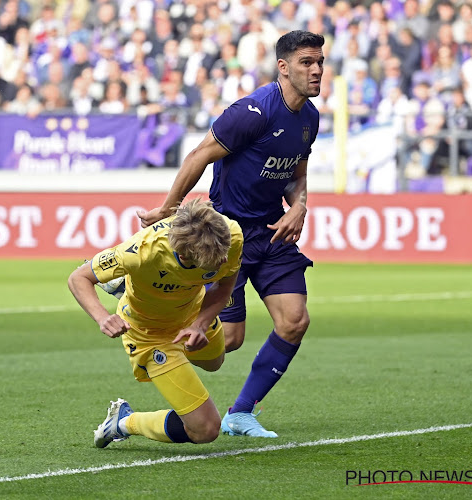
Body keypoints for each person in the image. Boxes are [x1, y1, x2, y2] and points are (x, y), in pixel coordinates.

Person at [136, 30, 324, 438]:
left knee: (294, 321)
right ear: (283, 66)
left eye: (320, 62)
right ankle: (150, 312)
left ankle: (241, 413)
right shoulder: (252, 111)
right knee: (230, 341)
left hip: (272, 231)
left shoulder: (309, 117)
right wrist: (168, 208)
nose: (316, 70)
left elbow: (297, 174)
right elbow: (200, 155)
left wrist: (300, 206)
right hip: (228, 235)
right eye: (307, 62)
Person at [68, 199, 242, 448]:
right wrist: (103, 317)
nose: (225, 262)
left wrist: (200, 324)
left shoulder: (230, 235)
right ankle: (124, 421)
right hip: (149, 333)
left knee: (214, 363)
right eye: (215, 262)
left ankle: (127, 286)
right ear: (183, 255)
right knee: (205, 430)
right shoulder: (141, 251)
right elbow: (79, 277)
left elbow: (225, 286)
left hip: (193, 315)